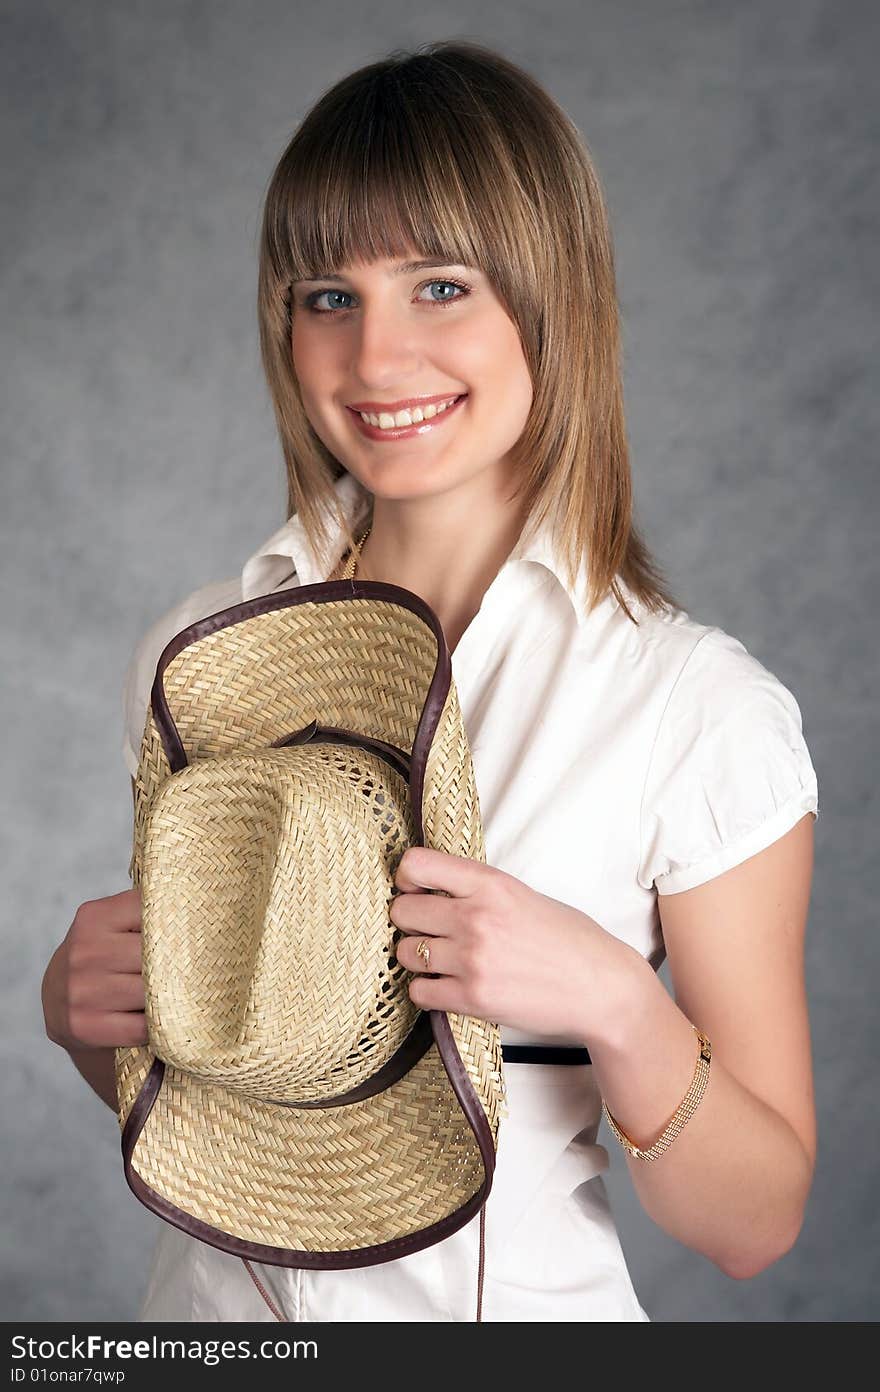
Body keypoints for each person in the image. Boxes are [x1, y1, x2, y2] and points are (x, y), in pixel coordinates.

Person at [41, 40, 819, 1323]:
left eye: (440, 286)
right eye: (325, 296)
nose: (376, 358)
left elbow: (756, 1224)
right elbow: (233, 1094)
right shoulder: (201, 649)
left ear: (551, 295)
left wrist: (619, 1007)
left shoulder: (694, 709)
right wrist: (94, 1026)